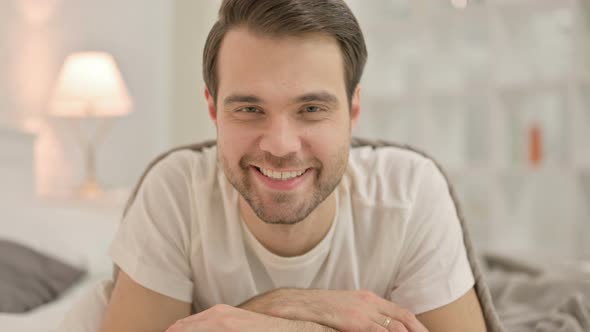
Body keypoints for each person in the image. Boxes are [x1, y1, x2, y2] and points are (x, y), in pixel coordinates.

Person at [97, 0, 487, 331]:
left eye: (312, 109)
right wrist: (290, 306)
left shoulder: (410, 190)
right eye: (250, 109)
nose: (281, 145)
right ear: (214, 110)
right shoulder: (176, 190)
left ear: (353, 110)